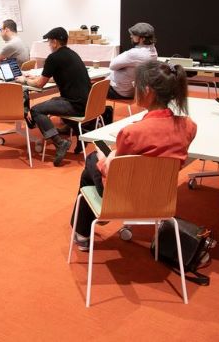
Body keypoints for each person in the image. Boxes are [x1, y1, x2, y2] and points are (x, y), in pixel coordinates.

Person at [71, 60, 197, 250]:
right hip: (161, 196)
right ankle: (83, 226)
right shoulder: (189, 126)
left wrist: (105, 158)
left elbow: (114, 171)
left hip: (125, 195)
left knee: (92, 160)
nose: (133, 88)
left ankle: (82, 229)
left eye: (134, 85)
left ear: (147, 91)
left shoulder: (133, 132)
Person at [22, 27, 91, 166]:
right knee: (54, 100)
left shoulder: (53, 57)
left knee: (36, 110)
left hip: (75, 105)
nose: (48, 45)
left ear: (54, 42)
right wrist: (38, 78)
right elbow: (61, 76)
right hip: (87, 103)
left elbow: (40, 84)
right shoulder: (72, 54)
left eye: (49, 42)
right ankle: (80, 134)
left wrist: (24, 80)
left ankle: (60, 143)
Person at [107, 22, 158, 99]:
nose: (131, 36)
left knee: (89, 89)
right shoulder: (153, 51)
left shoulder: (134, 53)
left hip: (119, 91)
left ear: (143, 38)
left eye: (134, 35)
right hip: (133, 90)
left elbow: (112, 65)